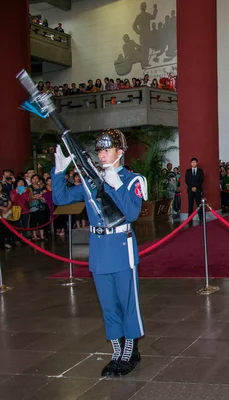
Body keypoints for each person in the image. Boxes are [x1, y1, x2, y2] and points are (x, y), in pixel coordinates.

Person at [51, 129, 147, 378]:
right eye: (100, 151)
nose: (102, 155)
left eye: (107, 150)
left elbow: (132, 213)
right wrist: (59, 171)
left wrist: (115, 186)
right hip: (99, 250)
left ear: (120, 152)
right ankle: (117, 351)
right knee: (108, 305)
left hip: (121, 247)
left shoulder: (133, 180)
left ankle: (131, 351)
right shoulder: (91, 181)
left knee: (128, 304)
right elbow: (60, 198)